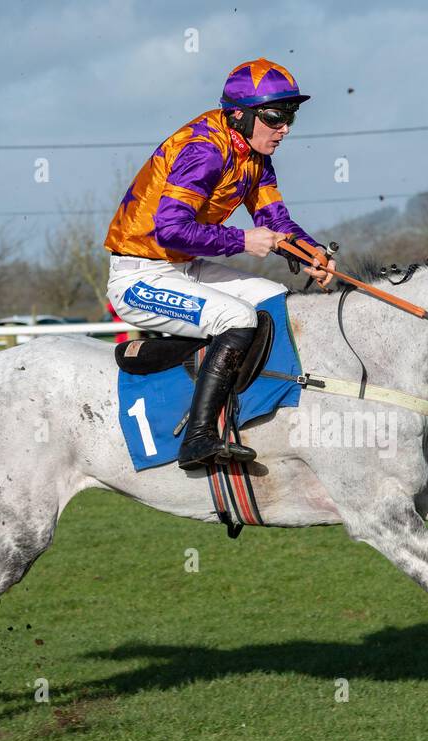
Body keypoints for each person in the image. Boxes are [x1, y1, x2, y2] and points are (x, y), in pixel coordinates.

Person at [103, 57, 331, 470]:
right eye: (276, 117)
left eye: (291, 116)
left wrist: (310, 252)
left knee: (275, 298)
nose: (285, 129)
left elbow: (274, 221)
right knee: (238, 318)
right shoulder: (204, 150)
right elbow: (170, 231)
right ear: (239, 114)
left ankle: (260, 410)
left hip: (184, 268)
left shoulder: (254, 155)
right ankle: (198, 438)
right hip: (139, 277)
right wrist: (243, 240)